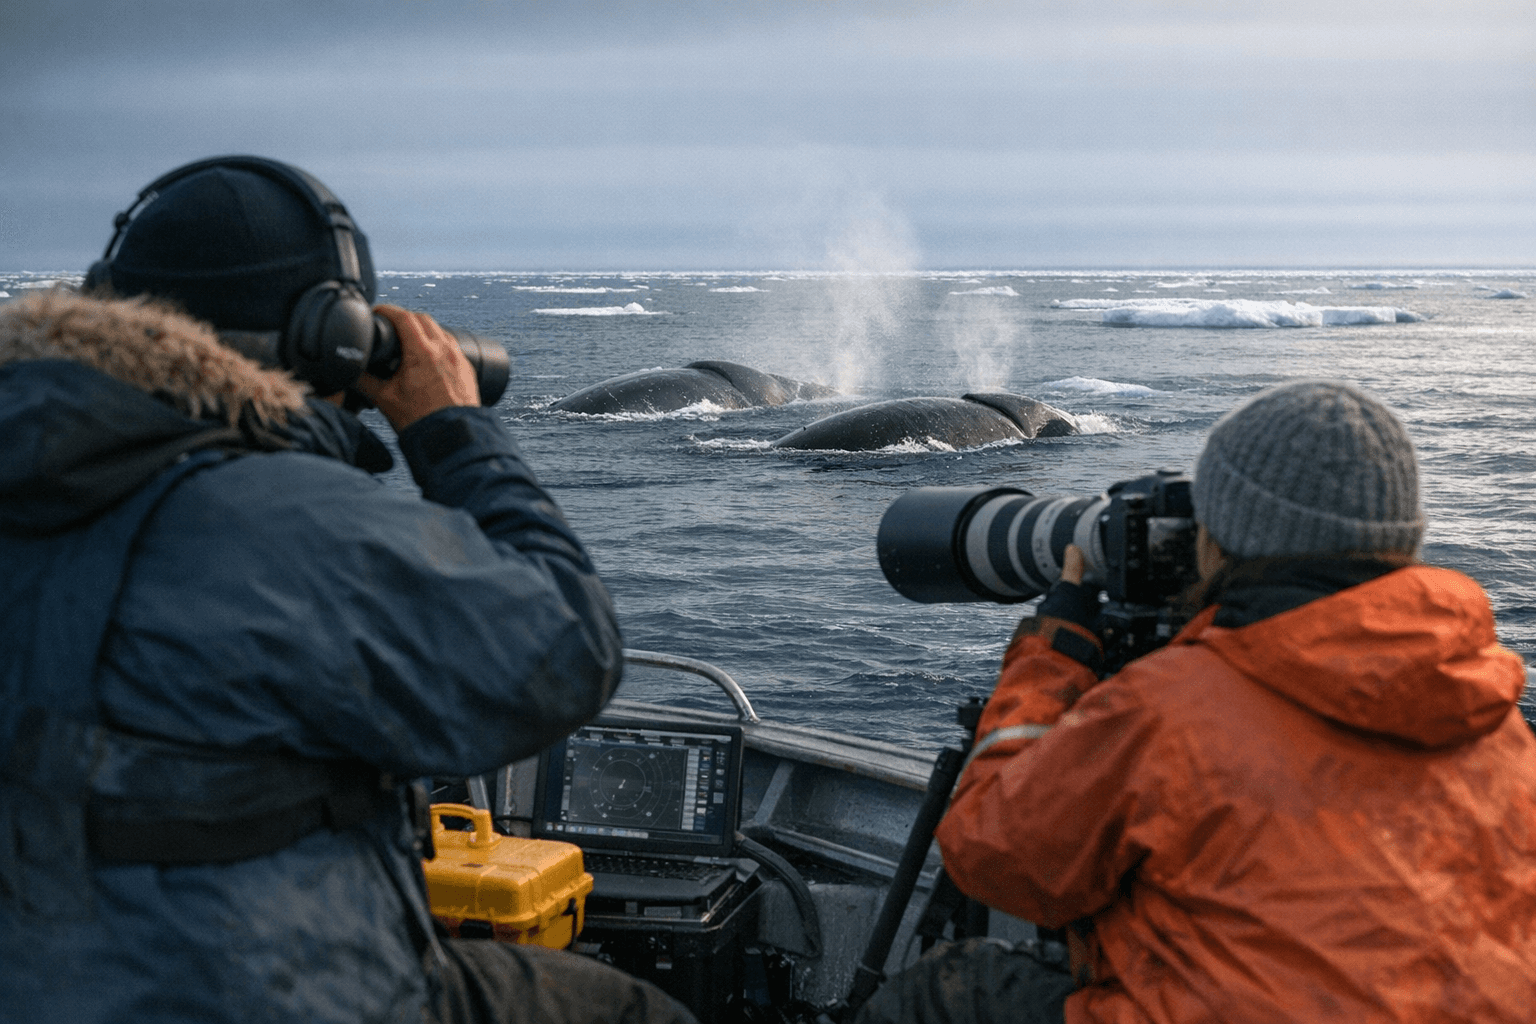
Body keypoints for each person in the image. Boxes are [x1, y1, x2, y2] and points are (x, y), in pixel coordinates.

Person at [0, 157, 694, 1024]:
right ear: (329, 336)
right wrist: (454, 430)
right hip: (248, 986)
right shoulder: (286, 524)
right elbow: (567, 652)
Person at [857, 381, 1536, 1023]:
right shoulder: (1495, 718)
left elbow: (994, 860)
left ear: (1220, 534)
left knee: (948, 990)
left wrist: (1051, 651)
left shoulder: (1176, 708)